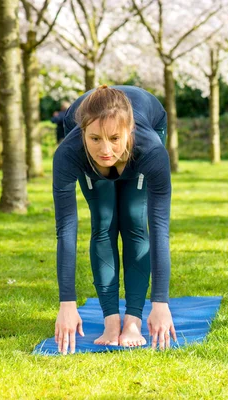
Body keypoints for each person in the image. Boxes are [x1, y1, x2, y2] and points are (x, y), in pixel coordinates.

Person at [52, 85, 176, 354]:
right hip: (86, 131)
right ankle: (110, 321)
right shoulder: (69, 153)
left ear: (129, 131)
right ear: (82, 133)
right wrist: (67, 303)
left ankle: (132, 320)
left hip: (148, 125)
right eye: (95, 138)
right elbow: (66, 229)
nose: (106, 150)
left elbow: (159, 228)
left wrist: (161, 303)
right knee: (103, 221)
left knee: (134, 220)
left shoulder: (151, 150)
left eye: (114, 138)